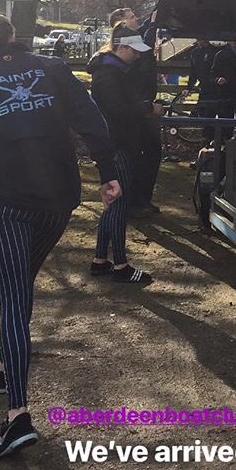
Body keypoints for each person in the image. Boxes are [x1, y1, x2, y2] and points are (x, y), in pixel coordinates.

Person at [0, 14, 120, 458]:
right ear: (13, 36)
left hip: (8, 201)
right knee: (20, 283)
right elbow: (90, 117)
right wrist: (108, 170)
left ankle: (18, 416)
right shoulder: (52, 68)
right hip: (59, 198)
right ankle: (0, 361)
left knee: (14, 297)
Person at [88, 23, 155, 284]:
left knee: (114, 205)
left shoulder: (111, 71)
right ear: (122, 47)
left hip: (115, 142)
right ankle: (120, 265)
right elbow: (116, 110)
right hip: (116, 144)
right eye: (134, 51)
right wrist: (146, 108)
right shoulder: (109, 74)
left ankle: (100, 259)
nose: (138, 56)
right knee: (119, 203)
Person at [108, 6, 163, 216]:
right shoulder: (118, 62)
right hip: (137, 109)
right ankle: (133, 201)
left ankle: (141, 199)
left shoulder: (133, 47)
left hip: (142, 105)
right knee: (138, 154)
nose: (136, 19)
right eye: (131, 17)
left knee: (149, 153)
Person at [181, 39, 219, 142]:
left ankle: (215, 141)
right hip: (204, 89)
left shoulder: (215, 52)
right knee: (204, 116)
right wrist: (189, 87)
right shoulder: (195, 53)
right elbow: (193, 72)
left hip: (217, 89)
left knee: (213, 116)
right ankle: (207, 140)